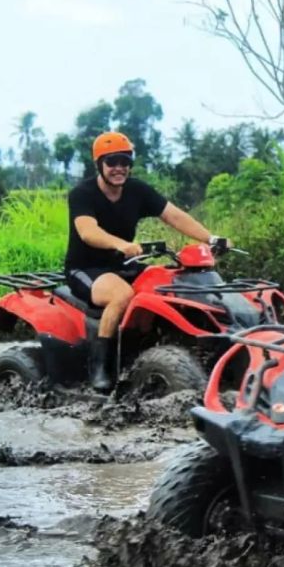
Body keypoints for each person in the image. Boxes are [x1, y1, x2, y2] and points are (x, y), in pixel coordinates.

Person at [64, 131, 224, 392]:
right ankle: (101, 368)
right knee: (122, 295)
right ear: (99, 164)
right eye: (112, 161)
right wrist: (121, 244)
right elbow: (87, 232)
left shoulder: (137, 190)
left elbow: (174, 216)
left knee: (166, 283)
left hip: (124, 265)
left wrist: (211, 238)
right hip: (87, 268)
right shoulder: (82, 194)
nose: (119, 168)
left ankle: (159, 347)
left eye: (125, 162)